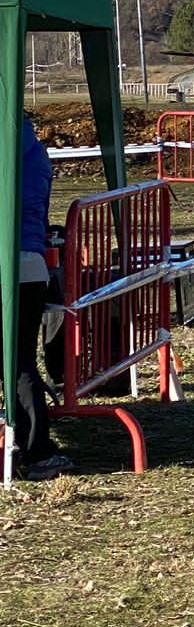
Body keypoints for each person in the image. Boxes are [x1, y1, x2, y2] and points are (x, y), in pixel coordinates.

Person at [14, 115, 66, 481]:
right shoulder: (35, 152)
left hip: (11, 260)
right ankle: (38, 452)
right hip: (31, 263)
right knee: (21, 362)